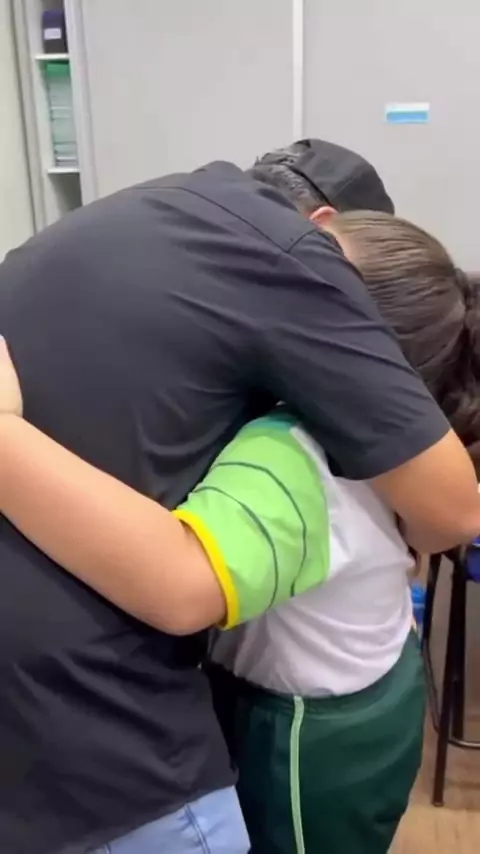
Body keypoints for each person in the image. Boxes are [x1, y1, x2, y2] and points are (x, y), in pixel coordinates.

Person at [0, 140, 479, 854]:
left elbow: (181, 583)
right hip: (375, 690)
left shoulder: (292, 455)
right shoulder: (383, 449)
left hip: (310, 730)